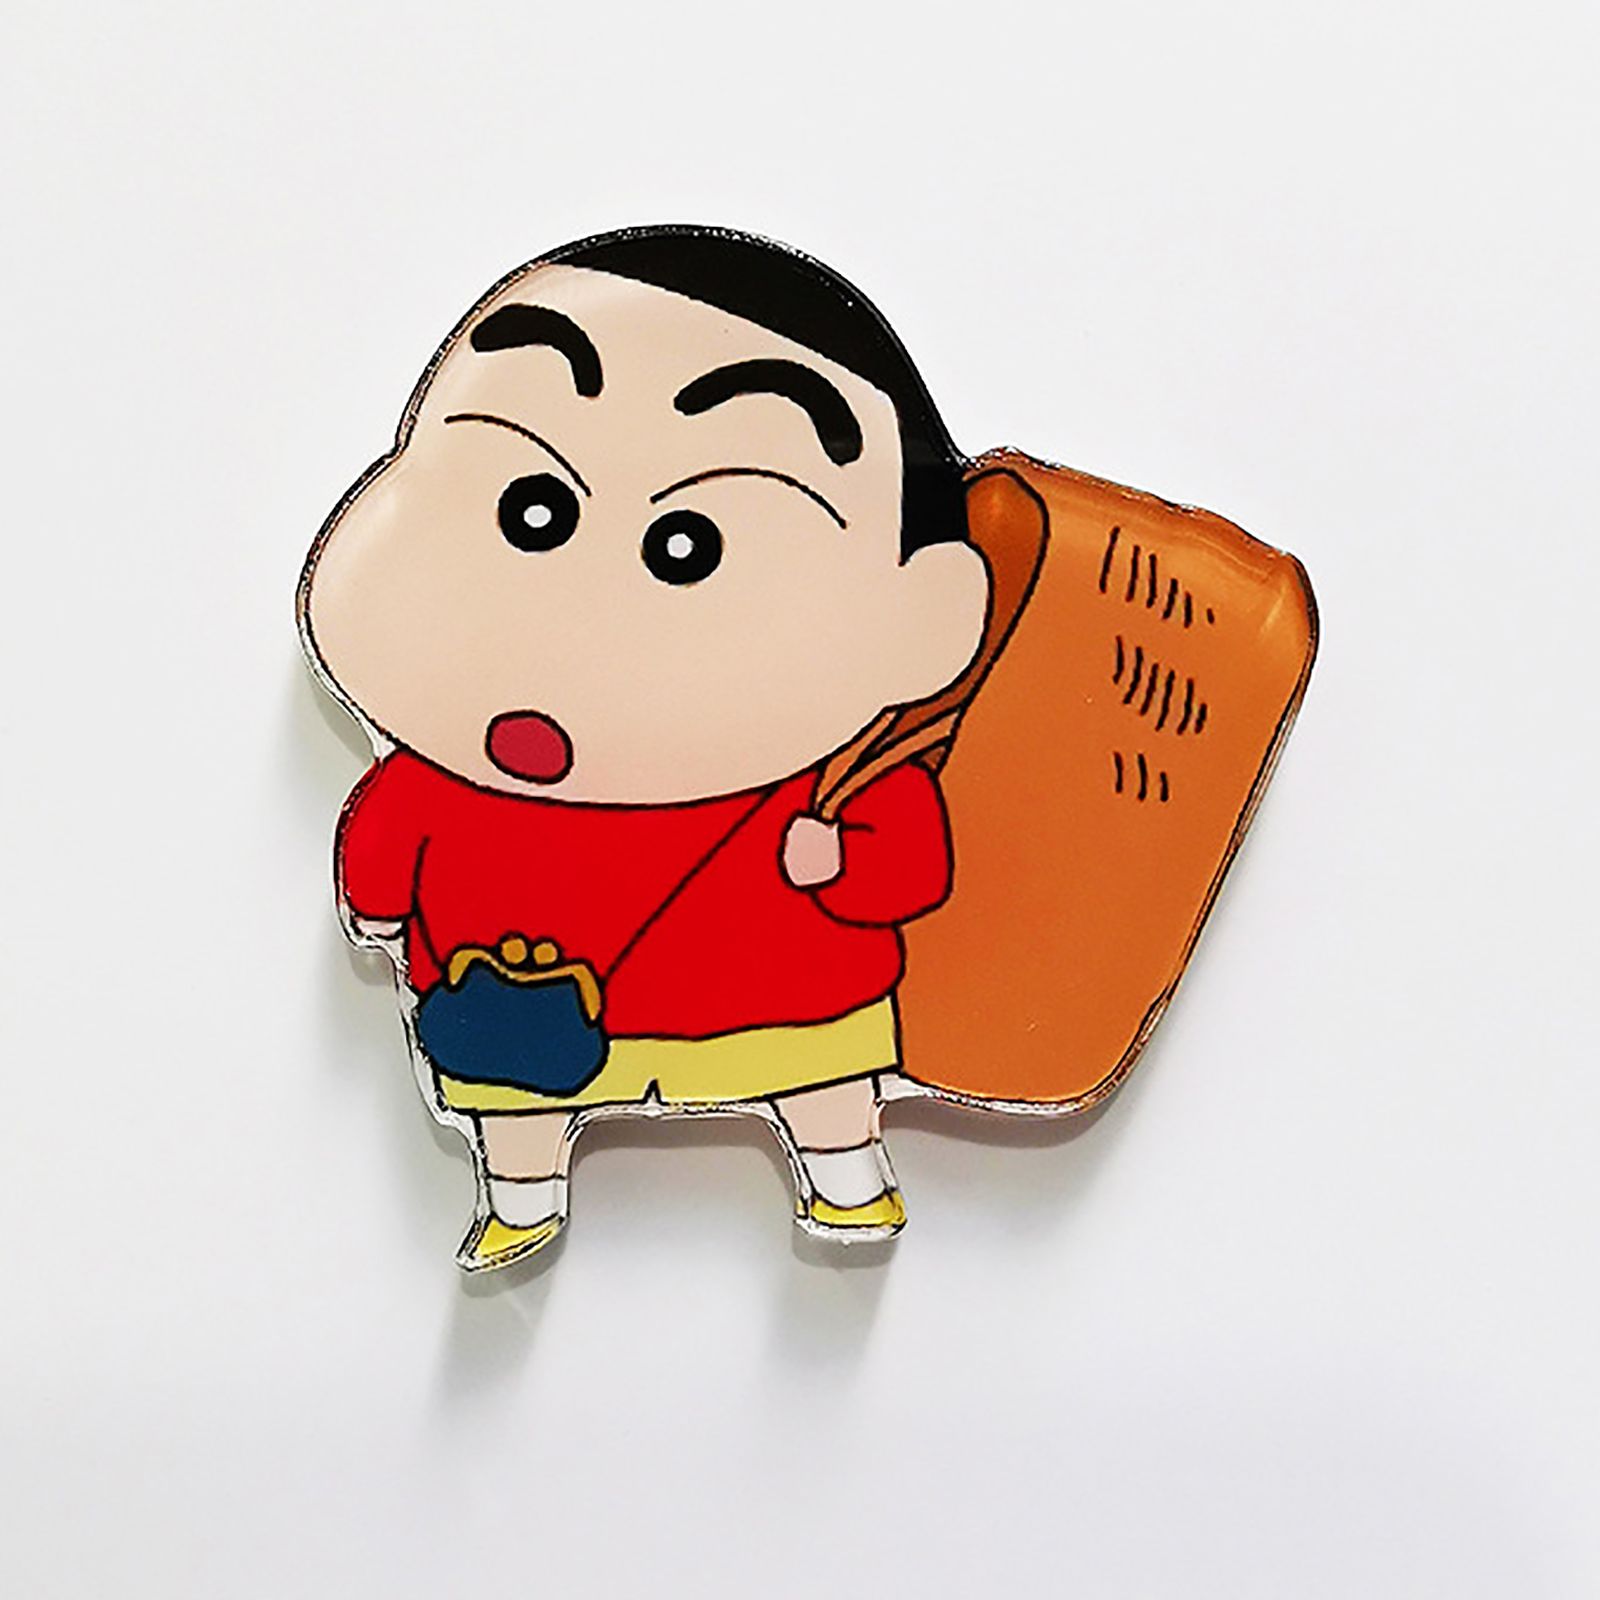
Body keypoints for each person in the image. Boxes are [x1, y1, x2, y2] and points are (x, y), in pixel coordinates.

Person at [299, 226, 992, 1269]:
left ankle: (847, 1171)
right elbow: (381, 862)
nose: (589, 603)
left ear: (926, 610)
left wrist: (838, 859)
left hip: (782, 994)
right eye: (535, 509)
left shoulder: (845, 774)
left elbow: (909, 861)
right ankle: (521, 1195)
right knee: (517, 1102)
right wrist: (379, 891)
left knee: (821, 1081)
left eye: (687, 546)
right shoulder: (441, 785)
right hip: (524, 1012)